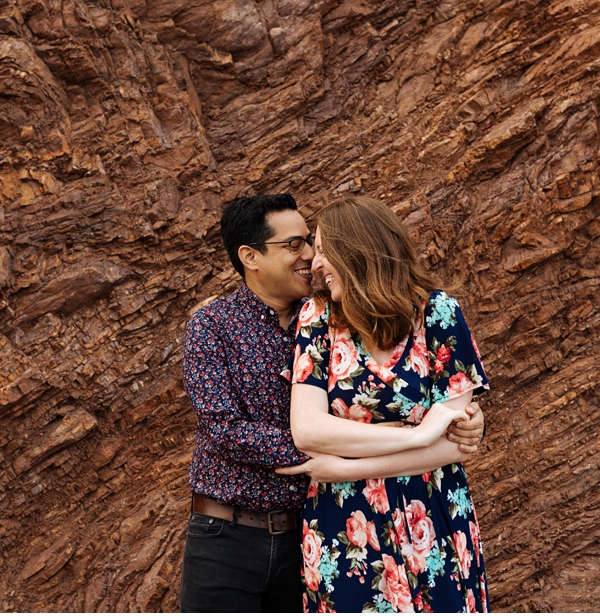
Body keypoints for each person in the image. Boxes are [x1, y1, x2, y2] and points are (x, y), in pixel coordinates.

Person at [179, 194, 487, 613]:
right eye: (295, 246)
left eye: (313, 244)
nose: (308, 256)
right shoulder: (215, 325)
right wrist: (403, 438)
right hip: (231, 534)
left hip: (319, 526)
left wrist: (461, 428)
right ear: (250, 257)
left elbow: (454, 434)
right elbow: (228, 430)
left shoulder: (344, 312)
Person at [278, 196, 490, 613]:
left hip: (435, 514)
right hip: (345, 528)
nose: (315, 264)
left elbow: (455, 445)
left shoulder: (438, 313)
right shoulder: (317, 317)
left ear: (354, 249)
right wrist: (420, 434)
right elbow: (308, 430)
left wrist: (346, 467)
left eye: (323, 250)